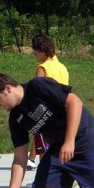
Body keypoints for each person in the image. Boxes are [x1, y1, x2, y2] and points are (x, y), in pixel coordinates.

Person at [27, 34, 69, 171]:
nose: (35, 54)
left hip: (47, 113)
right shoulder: (62, 67)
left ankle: (44, 176)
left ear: (42, 51)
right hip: (63, 111)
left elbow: (37, 92)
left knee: (43, 149)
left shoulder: (43, 68)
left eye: (35, 51)